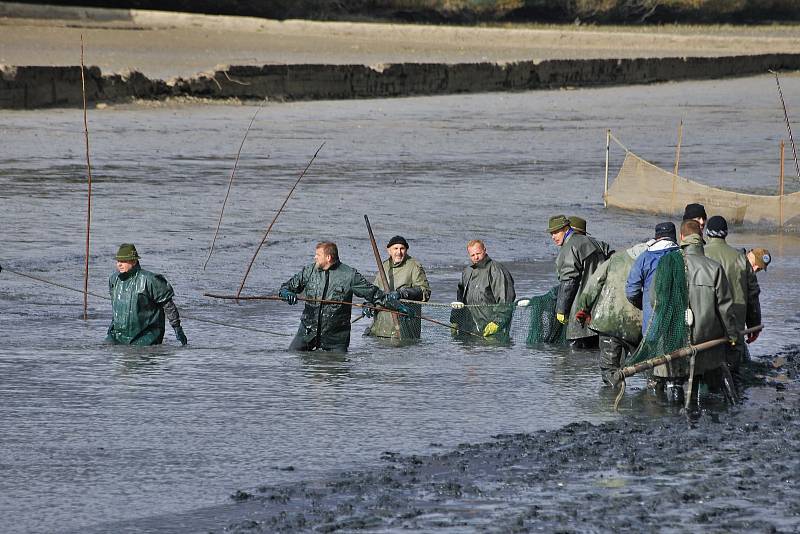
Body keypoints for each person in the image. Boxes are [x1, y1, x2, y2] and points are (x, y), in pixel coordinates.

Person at [648, 220, 738, 399]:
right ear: (701, 238)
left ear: (681, 238)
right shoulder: (714, 268)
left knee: (672, 393)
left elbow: (654, 301)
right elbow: (725, 309)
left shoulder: (667, 265)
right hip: (706, 341)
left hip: (672, 340)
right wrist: (733, 335)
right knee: (705, 392)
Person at [279, 241, 407, 352]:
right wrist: (286, 294)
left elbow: (375, 294)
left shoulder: (350, 275)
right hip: (307, 332)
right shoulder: (309, 271)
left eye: (318, 255)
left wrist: (398, 307)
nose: (315, 257)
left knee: (338, 370)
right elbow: (286, 287)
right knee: (292, 357)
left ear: (328, 257)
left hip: (336, 338)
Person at [575, 240, 650, 385]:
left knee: (609, 370)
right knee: (648, 366)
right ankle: (652, 401)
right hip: (638, 325)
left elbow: (593, 285)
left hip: (607, 321)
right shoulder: (653, 261)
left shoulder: (616, 258)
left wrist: (583, 309)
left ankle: (611, 401)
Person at [703, 216, 762, 371]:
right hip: (735, 328)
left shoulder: (698, 255)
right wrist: (754, 325)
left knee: (705, 373)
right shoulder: (741, 259)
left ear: (707, 233)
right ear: (726, 234)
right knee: (734, 372)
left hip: (704, 328)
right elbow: (752, 295)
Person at [106, 243, 187, 346]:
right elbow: (116, 308)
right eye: (118, 261)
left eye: (123, 261)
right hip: (118, 335)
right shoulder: (114, 279)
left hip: (146, 336)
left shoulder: (150, 280)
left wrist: (177, 328)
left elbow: (168, 306)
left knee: (140, 355)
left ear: (134, 261)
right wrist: (111, 328)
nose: (119, 264)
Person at [548, 214, 609, 348]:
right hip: (601, 310)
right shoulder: (597, 243)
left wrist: (561, 310)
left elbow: (569, 281)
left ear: (566, 228)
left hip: (580, 313)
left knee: (575, 358)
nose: (553, 236)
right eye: (551, 233)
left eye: (556, 232)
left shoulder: (570, 247)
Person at [364, 235, 431, 339]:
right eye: (395, 248)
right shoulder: (384, 266)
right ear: (389, 251)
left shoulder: (414, 266)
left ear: (406, 250)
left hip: (405, 329)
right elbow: (375, 292)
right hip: (381, 328)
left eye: (402, 248)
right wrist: (369, 304)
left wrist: (402, 293)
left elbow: (425, 292)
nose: (399, 252)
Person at [451, 239, 515, 338]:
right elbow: (459, 299)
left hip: (492, 330)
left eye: (478, 253)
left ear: (484, 250)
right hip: (468, 329)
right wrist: (455, 319)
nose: (476, 257)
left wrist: (497, 323)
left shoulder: (496, 270)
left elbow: (506, 299)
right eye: (472, 255)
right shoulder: (467, 272)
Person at [625, 222, 679, 334]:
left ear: (656, 237)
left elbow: (631, 291)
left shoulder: (644, 258)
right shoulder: (681, 255)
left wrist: (643, 304)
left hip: (651, 325)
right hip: (676, 326)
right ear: (674, 236)